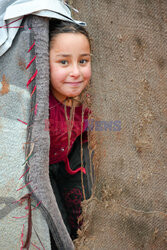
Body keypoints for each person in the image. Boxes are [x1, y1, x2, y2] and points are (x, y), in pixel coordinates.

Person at [48, 19, 93, 247]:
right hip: (40, 172)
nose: (76, 72)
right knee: (56, 227)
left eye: (83, 61)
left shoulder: (85, 105)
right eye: (64, 62)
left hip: (65, 162)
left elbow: (96, 126)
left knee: (78, 222)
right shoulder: (41, 105)